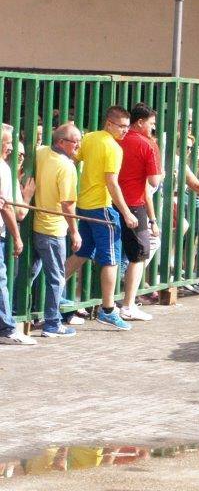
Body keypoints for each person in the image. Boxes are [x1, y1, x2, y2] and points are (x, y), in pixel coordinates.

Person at [63, 105, 139, 330]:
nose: (125, 130)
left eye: (127, 126)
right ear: (109, 123)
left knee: (82, 252)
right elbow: (111, 182)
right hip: (102, 207)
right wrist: (126, 212)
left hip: (84, 206)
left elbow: (74, 159)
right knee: (111, 259)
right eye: (121, 126)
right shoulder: (114, 148)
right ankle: (107, 310)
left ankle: (53, 290)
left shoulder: (91, 138)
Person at [30, 123, 82, 338]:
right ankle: (52, 323)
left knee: (31, 273)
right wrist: (74, 232)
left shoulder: (41, 152)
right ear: (61, 142)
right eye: (75, 142)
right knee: (56, 277)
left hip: (36, 225)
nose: (78, 146)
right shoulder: (67, 166)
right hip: (53, 228)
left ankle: (18, 312)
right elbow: (67, 204)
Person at [115, 103, 163, 321]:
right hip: (133, 203)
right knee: (139, 255)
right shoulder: (148, 145)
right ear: (140, 122)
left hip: (110, 201)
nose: (153, 128)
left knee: (106, 254)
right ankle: (128, 304)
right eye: (151, 124)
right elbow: (153, 180)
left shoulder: (115, 139)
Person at [0, 137, 34, 344]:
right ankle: (6, 328)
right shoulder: (3, 169)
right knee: (1, 280)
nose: (12, 149)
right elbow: (7, 207)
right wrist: (17, 236)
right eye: (7, 143)